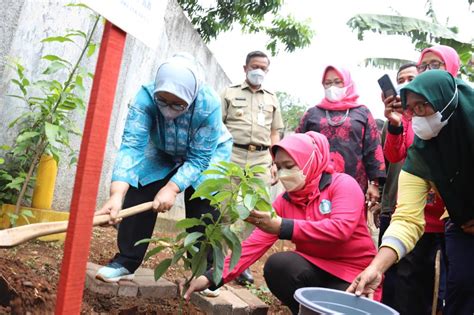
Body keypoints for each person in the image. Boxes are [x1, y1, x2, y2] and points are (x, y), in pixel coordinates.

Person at [183, 131, 381, 314]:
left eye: (289, 166)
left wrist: (283, 226)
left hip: (355, 274)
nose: (283, 173)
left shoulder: (342, 185)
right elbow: (253, 245)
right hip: (315, 270)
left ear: (309, 161)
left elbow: (340, 229)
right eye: (278, 166)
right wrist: (210, 277)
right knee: (280, 265)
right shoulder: (285, 202)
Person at [94, 53, 233, 282]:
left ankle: (206, 274)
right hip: (162, 148)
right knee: (140, 188)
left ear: (192, 97)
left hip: (209, 154)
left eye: (178, 104)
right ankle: (126, 261)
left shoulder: (209, 104)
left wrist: (172, 187)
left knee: (204, 203)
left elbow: (199, 159)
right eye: (163, 101)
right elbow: (131, 148)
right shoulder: (145, 99)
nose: (169, 109)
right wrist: (116, 195)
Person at [347, 70, 474, 315]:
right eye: (411, 109)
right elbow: (406, 219)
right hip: (463, 224)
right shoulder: (421, 152)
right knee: (462, 290)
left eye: (422, 106)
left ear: (444, 101)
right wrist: (376, 268)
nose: (416, 116)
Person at [379, 62, 448, 314]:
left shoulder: (444, 117)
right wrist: (396, 123)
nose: (406, 83)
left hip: (452, 214)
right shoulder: (408, 119)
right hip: (415, 210)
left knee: (451, 283)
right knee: (409, 280)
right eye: (401, 79)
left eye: (411, 77)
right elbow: (395, 156)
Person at [221, 50, 284, 285]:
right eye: (254, 66)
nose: (259, 71)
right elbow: (217, 125)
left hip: (260, 159)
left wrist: (275, 161)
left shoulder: (272, 98)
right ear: (245, 68)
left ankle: (240, 262)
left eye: (263, 68)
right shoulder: (229, 92)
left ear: (267, 71)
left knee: (257, 212)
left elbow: (275, 132)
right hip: (232, 155)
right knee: (224, 209)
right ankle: (217, 261)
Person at [296, 65, 385, 206]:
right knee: (317, 222)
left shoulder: (362, 112)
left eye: (338, 82)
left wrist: (374, 183)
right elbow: (297, 146)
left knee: (350, 221)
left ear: (347, 83)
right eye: (328, 83)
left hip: (354, 181)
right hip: (316, 182)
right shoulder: (312, 113)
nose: (333, 87)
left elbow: (373, 148)